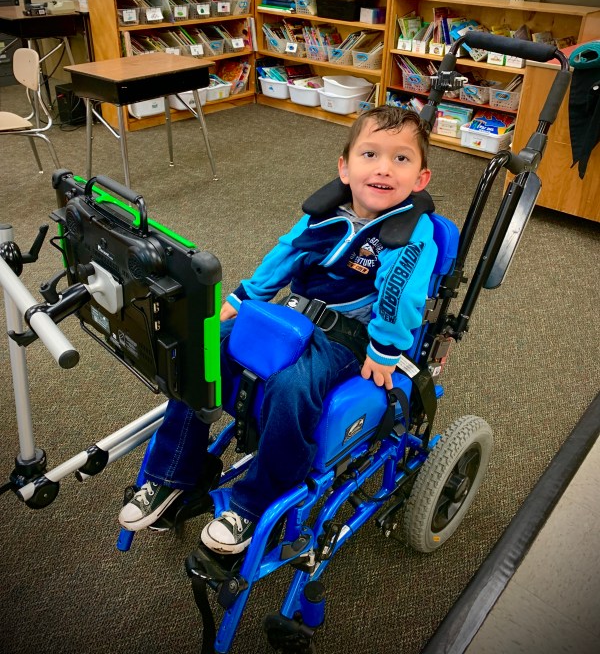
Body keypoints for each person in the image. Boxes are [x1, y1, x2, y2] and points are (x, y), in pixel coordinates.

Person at [119, 106, 437, 555]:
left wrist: (385, 348)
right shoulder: (325, 213)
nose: (384, 168)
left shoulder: (410, 233)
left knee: (292, 386)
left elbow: (400, 293)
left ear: (420, 179)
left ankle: (256, 504)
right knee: (205, 352)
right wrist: (245, 297)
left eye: (401, 159)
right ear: (345, 167)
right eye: (370, 154)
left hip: (346, 335)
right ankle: (171, 474)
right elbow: (285, 255)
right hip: (288, 315)